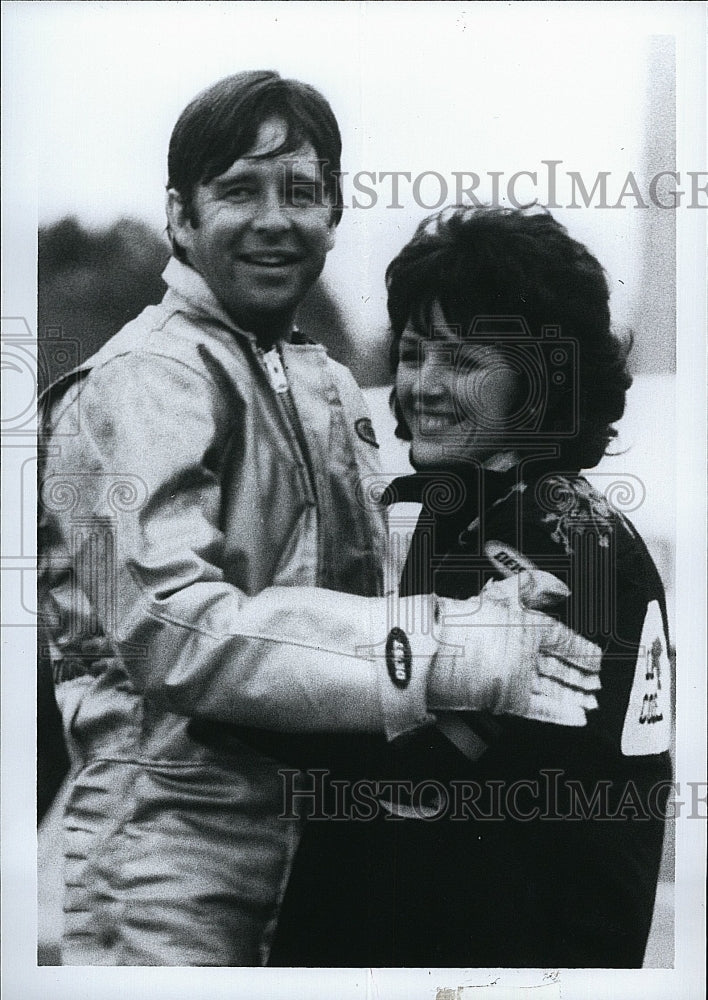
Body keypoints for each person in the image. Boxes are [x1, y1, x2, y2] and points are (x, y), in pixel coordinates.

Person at [38, 75, 600, 966]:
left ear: (334, 214)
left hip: (324, 860)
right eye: (239, 190)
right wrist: (450, 648)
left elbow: (358, 579)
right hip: (169, 875)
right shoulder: (139, 382)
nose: (275, 219)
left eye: (302, 192)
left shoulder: (325, 383)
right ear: (181, 216)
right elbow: (175, 627)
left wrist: (493, 593)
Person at [269, 206, 672, 968]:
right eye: (414, 353)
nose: (422, 385)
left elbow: (415, 777)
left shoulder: (564, 539)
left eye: (462, 360)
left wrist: (230, 697)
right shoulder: (457, 515)